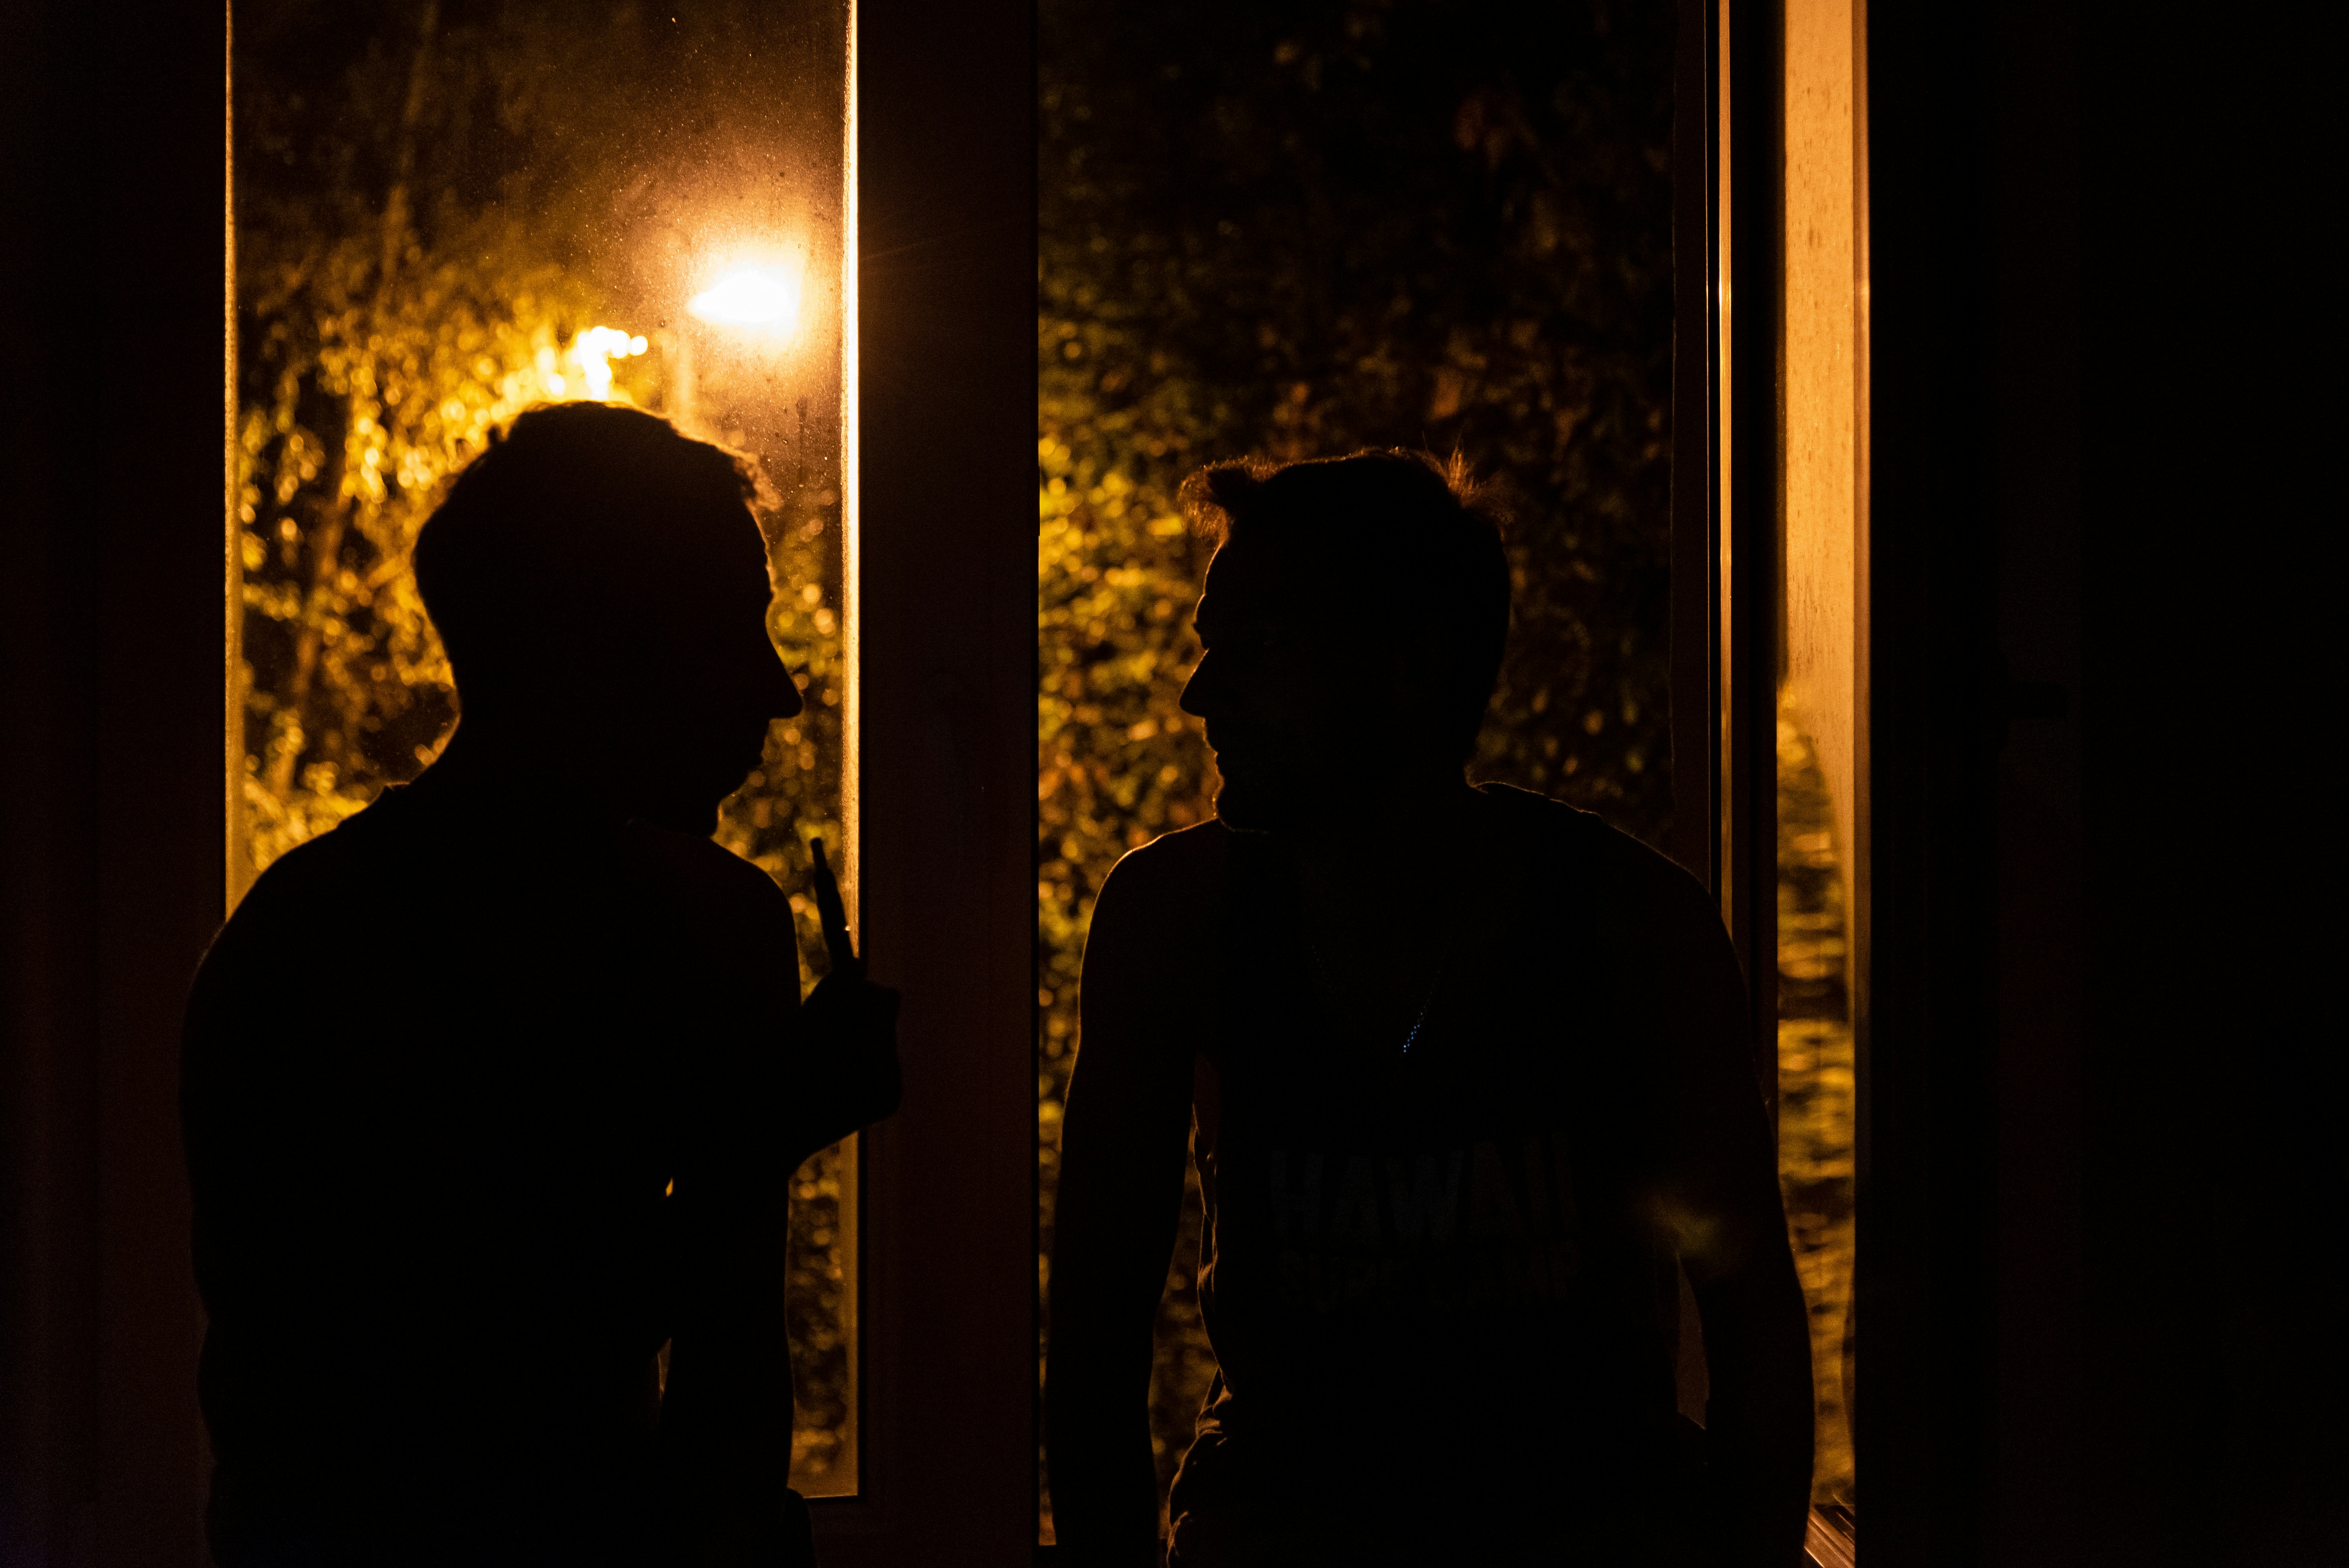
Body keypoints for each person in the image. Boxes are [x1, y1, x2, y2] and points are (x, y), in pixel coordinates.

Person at [1045, 451, 1813, 1566]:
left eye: (1259, 646)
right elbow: (1092, 1346)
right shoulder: (1175, 917)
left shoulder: (1628, 923)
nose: (1201, 693)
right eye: (1212, 644)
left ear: (1408, 665)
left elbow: (1756, 1336)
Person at [182, 402, 900, 1566]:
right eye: (728, 633)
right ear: (588, 654)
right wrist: (758, 1141)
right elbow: (426, 1391)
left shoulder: (715, 928)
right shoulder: (320, 960)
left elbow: (724, 1403)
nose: (778, 692)